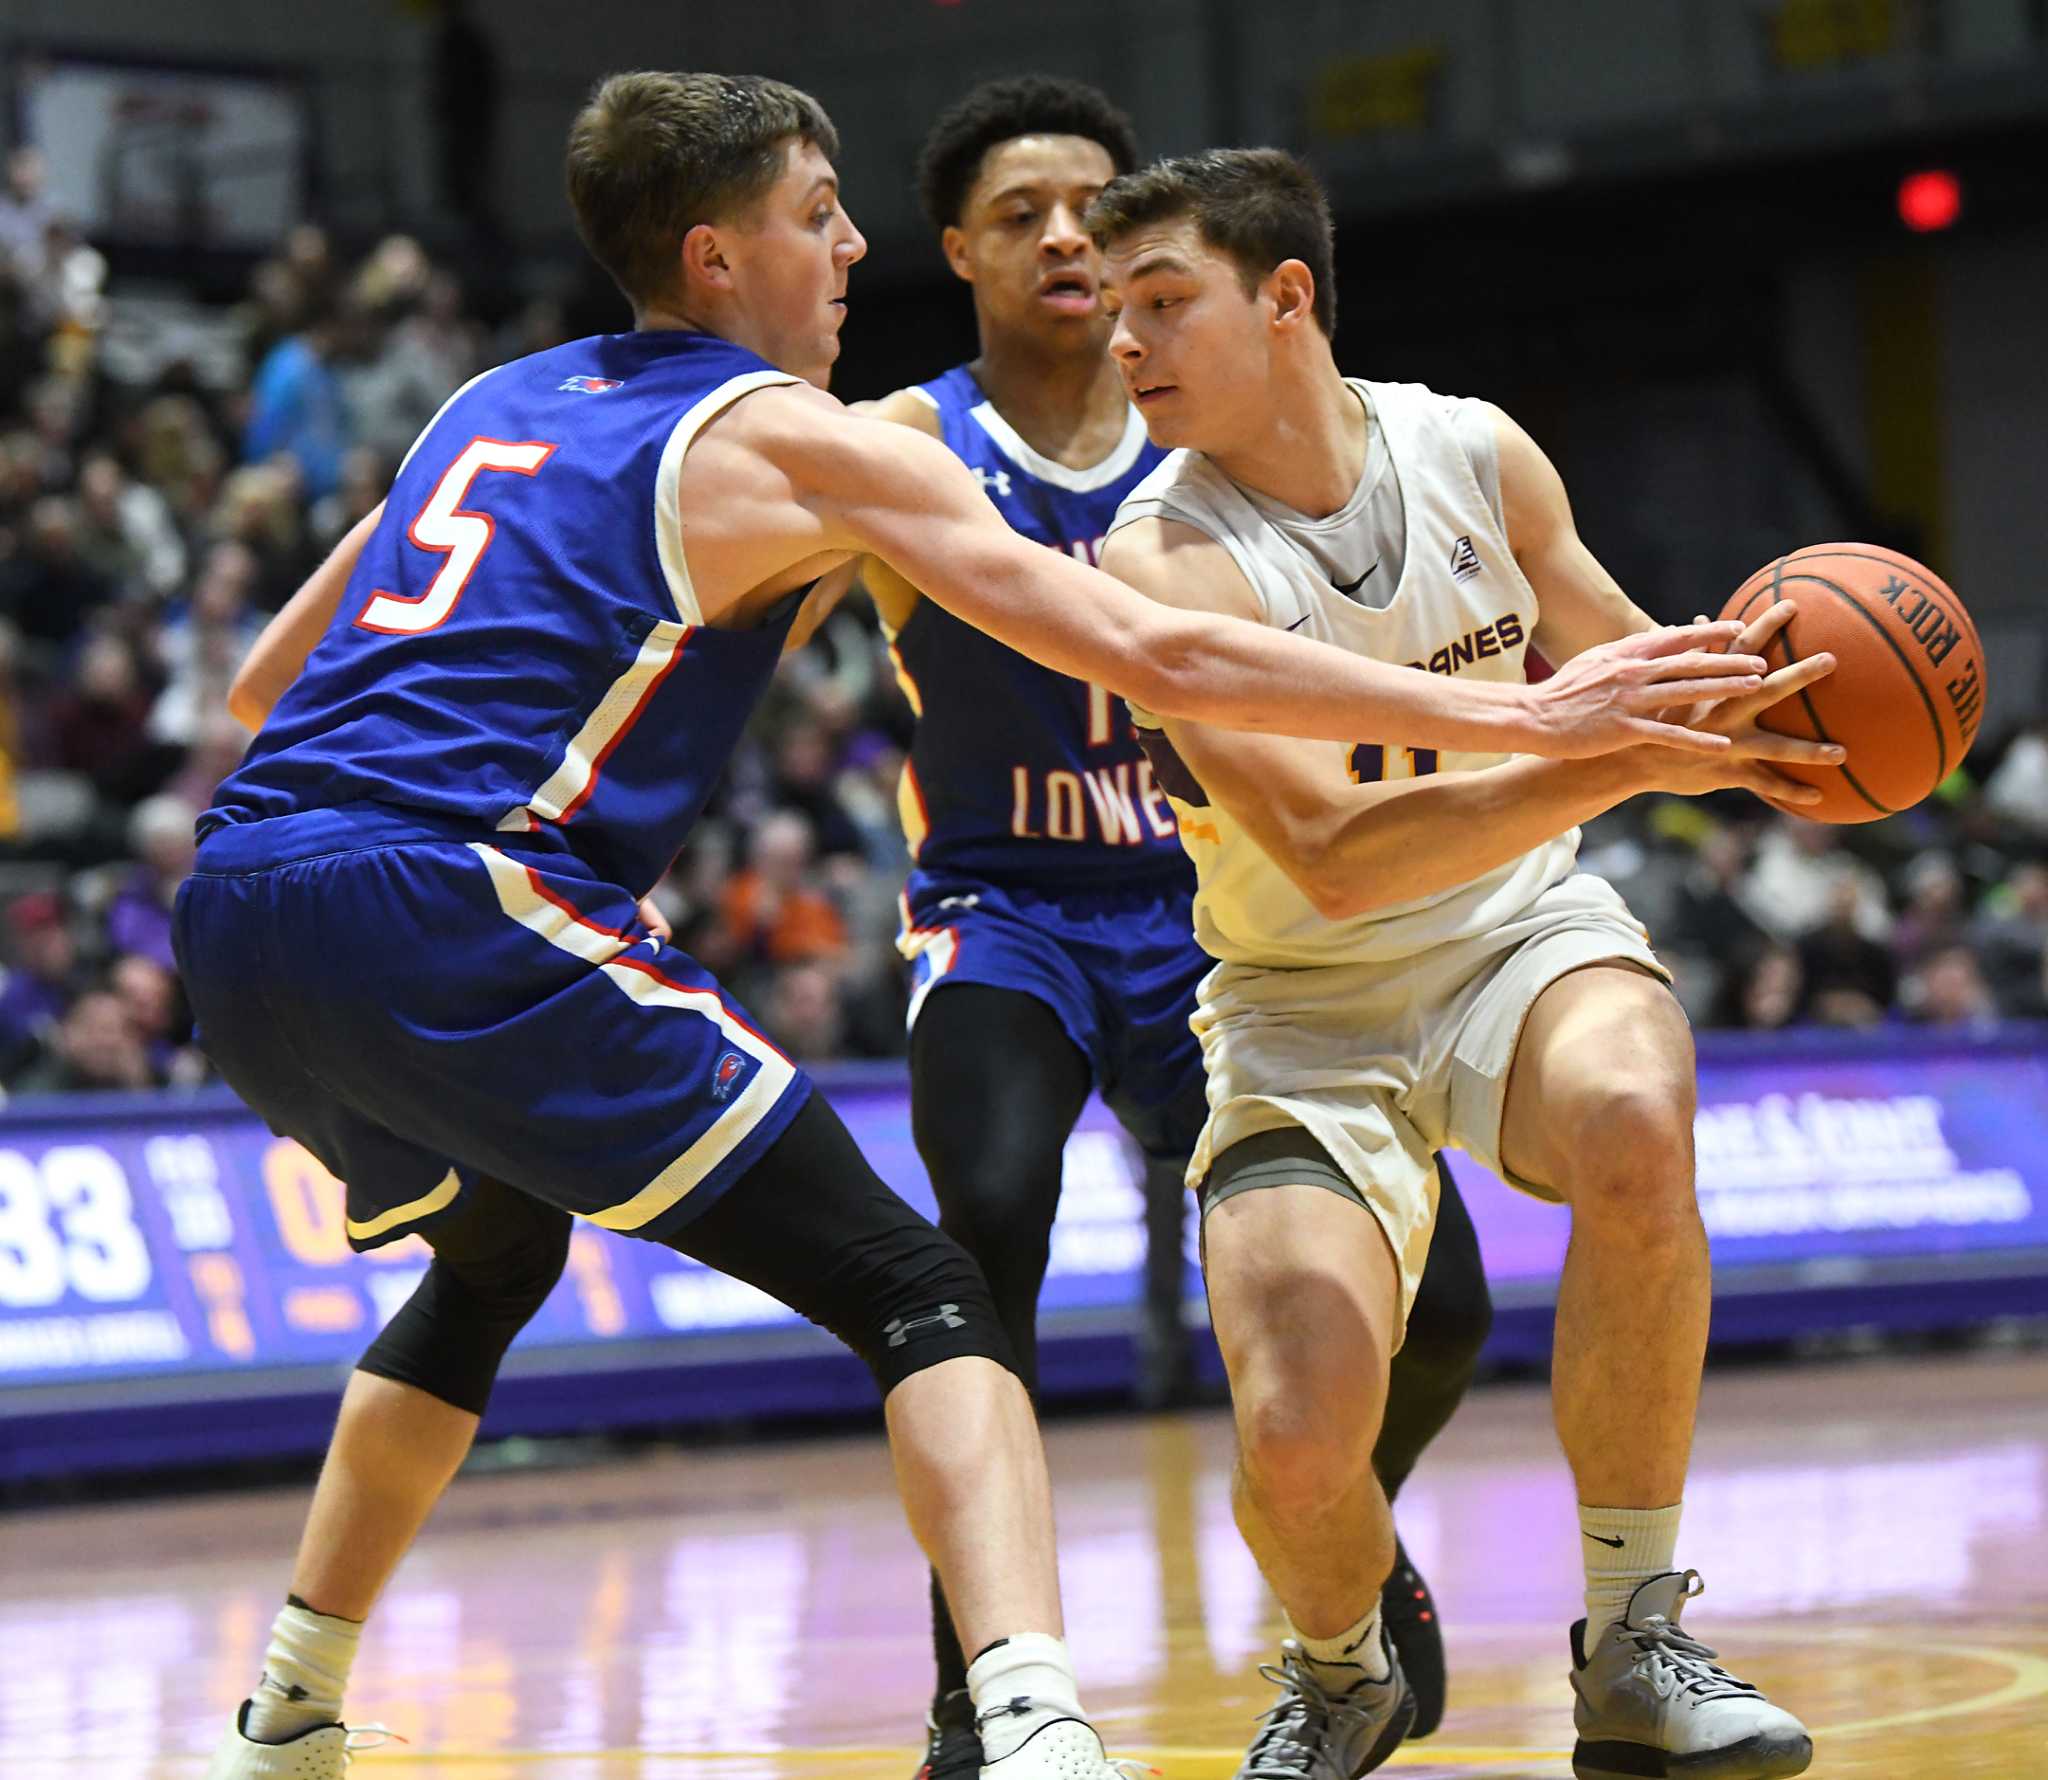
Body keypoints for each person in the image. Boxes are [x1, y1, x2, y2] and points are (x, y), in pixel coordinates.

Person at [187, 75, 1762, 1780]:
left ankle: (287, 1714)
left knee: (491, 1261)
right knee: (929, 1283)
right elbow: (1160, 662)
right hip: (497, 894)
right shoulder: (825, 441)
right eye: (817, 212)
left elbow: (272, 680)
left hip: (243, 899)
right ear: (718, 257)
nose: (851, 243)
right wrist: (1530, 721)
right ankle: (1021, 1719)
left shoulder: (487, 403)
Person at [1088, 149, 1827, 1780]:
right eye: (1112, 313)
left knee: (1636, 1112)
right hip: (1304, 1008)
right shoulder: (1162, 565)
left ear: (1285, 297)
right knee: (1294, 1439)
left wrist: (1788, 718)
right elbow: (1341, 864)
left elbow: (1634, 663)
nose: (1123, 345)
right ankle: (1344, 1672)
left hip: (1516, 933)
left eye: (1161, 303)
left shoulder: (1471, 451)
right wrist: (1628, 757)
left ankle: (1634, 1639)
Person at [858, 78, 1495, 1777]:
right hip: (1006, 914)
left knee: (1441, 1319)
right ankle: (976, 1700)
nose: (1066, 238)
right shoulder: (909, 445)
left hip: (1218, 913)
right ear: (959, 255)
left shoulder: (1208, 431)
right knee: (975, 1240)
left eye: (1092, 207)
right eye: (1020, 217)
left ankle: (1356, 1569)